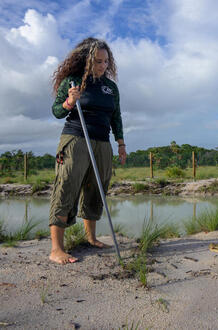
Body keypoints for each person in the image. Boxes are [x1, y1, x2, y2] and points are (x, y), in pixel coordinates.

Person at [49, 37, 126, 264]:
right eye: (97, 62)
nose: (102, 66)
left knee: (97, 187)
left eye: (105, 62)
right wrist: (69, 102)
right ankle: (56, 249)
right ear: (86, 61)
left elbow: (116, 116)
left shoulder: (111, 88)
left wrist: (121, 144)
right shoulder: (72, 81)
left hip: (102, 142)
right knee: (67, 187)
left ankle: (91, 238)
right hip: (76, 138)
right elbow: (56, 111)